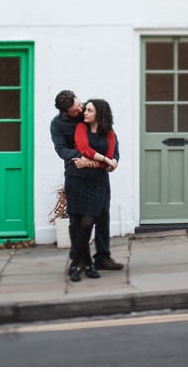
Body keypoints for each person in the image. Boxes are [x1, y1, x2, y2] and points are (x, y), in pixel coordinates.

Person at [50, 90, 124, 279]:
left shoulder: (90, 114)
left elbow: (111, 144)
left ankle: (102, 257)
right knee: (77, 222)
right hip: (76, 173)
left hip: (98, 177)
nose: (82, 110)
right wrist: (80, 158)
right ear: (67, 112)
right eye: (77, 110)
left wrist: (111, 161)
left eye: (82, 105)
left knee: (102, 215)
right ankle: (82, 260)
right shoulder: (58, 125)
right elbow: (62, 150)